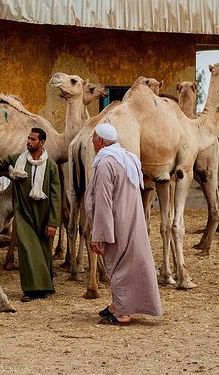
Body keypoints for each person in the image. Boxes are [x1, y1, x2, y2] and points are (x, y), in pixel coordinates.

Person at [0, 127, 61, 302]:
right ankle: (31, 290)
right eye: (28, 138)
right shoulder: (17, 160)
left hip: (43, 215)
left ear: (41, 143)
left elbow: (56, 197)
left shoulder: (51, 167)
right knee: (26, 250)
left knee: (44, 251)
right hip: (23, 214)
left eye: (33, 140)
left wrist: (53, 222)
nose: (29, 142)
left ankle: (46, 287)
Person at [85, 123, 162, 325]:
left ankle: (122, 314)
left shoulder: (105, 164)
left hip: (116, 224)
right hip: (133, 222)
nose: (92, 141)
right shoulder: (128, 158)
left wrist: (99, 235)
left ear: (101, 141)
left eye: (94, 138)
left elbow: (103, 202)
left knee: (119, 267)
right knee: (131, 264)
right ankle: (117, 304)